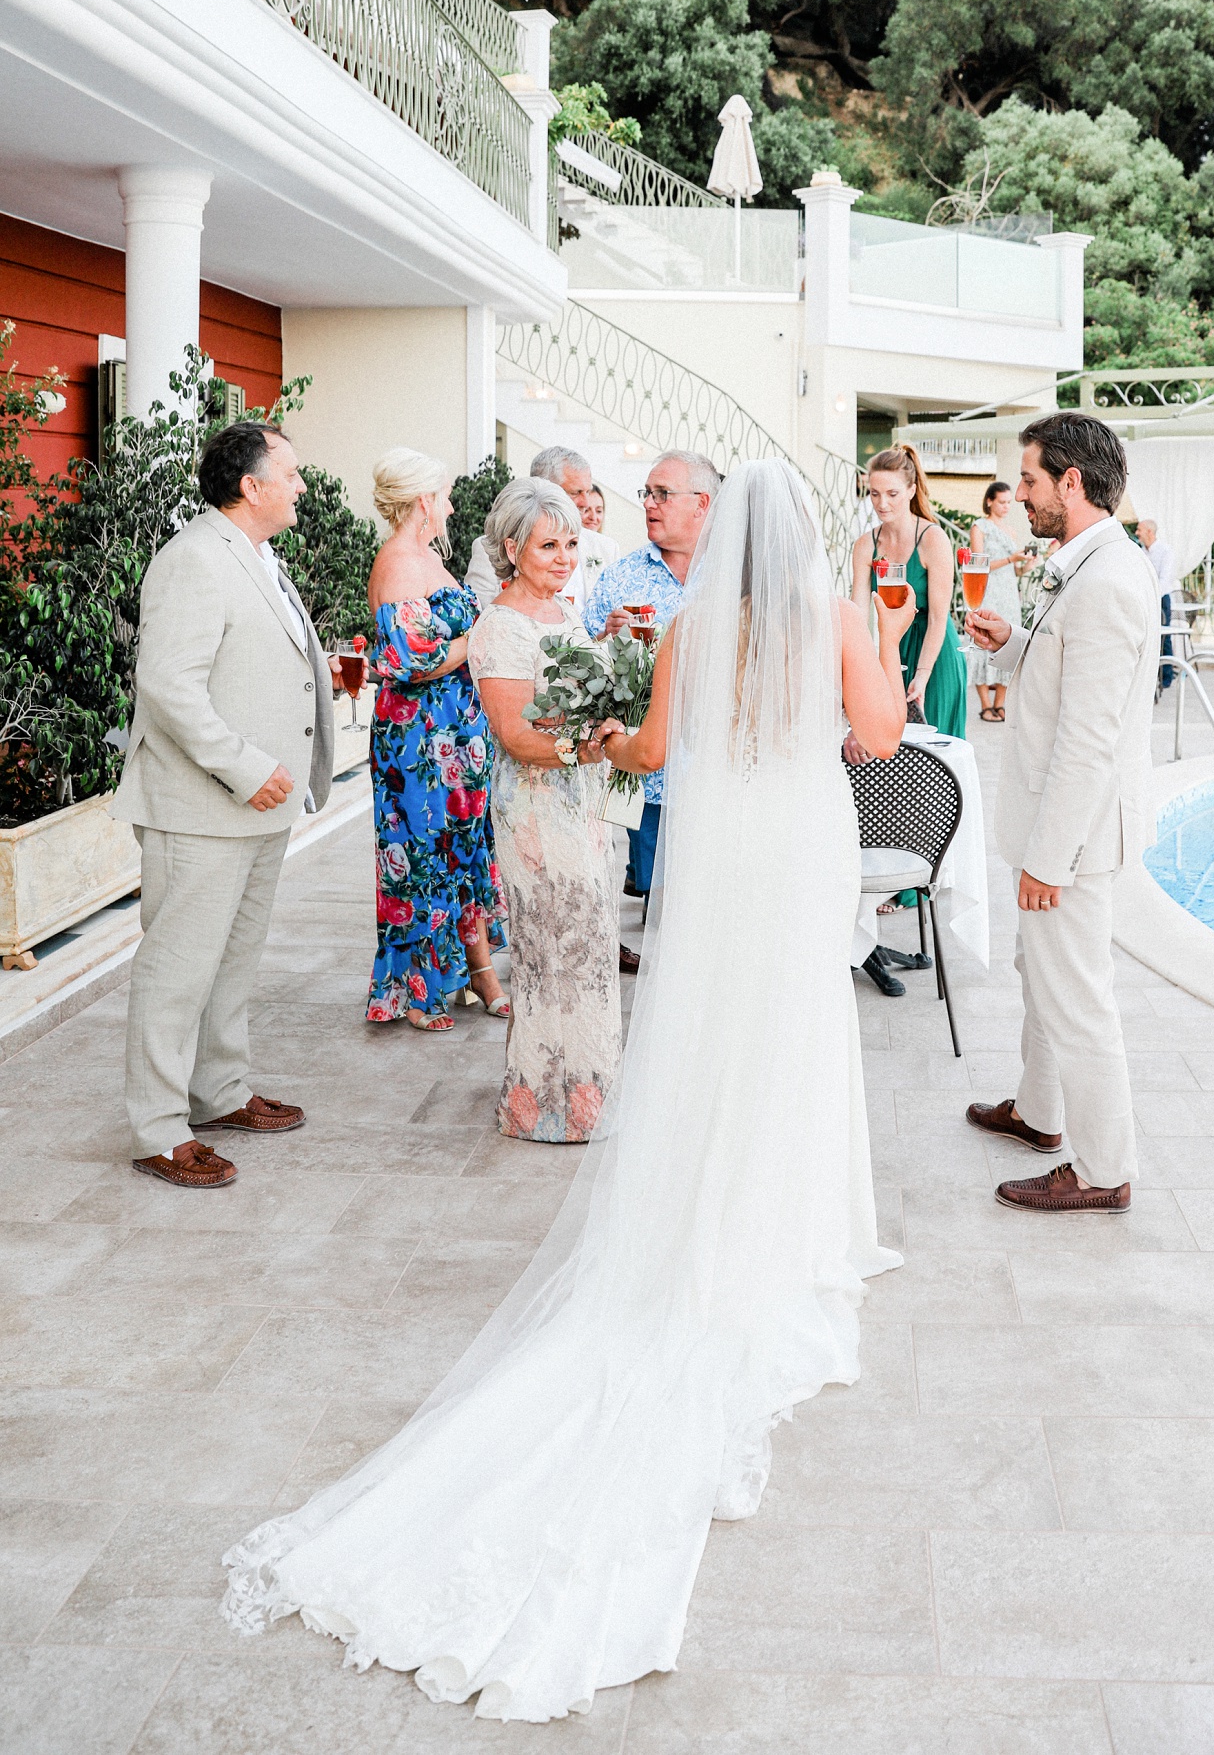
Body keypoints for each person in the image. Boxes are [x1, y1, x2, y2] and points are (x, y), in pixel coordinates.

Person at [224, 461, 912, 1721]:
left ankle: (710, 1217)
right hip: (800, 849)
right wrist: (881, 634)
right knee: (795, 1041)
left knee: (714, 1043)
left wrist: (600, 731)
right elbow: (876, 739)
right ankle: (788, 1226)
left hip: (728, 862)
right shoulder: (833, 618)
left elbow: (652, 750)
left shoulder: (696, 623)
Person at [114, 422, 335, 1190]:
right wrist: (244, 768)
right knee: (177, 970)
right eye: (293, 472)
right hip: (202, 804)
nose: (303, 485)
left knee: (232, 963)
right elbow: (168, 684)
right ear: (252, 485)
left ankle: (218, 1091)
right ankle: (158, 1129)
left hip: (260, 805)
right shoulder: (193, 561)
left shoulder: (257, 555)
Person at [965, 411, 1159, 1215]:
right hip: (1053, 825)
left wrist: (1049, 859)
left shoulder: (1111, 578)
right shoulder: (1080, 564)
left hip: (1073, 837)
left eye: (1033, 481)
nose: (1022, 497)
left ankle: (1104, 1168)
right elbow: (1065, 668)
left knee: (1076, 997)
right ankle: (1040, 1114)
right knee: (1038, 975)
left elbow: (1088, 739)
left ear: (1071, 482)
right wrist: (1014, 641)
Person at [468, 479, 620, 1142]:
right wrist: (590, 746)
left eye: (572, 544)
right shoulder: (501, 626)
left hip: (584, 807)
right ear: (511, 547)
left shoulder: (564, 612)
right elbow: (515, 734)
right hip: (536, 812)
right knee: (552, 955)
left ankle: (593, 1092)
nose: (564, 558)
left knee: (588, 953)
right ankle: (544, 1107)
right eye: (548, 544)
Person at [365, 450, 505, 1030]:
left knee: (464, 852)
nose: (449, 505)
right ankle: (420, 991)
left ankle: (480, 974)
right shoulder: (396, 562)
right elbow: (408, 663)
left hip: (457, 734)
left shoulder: (427, 557)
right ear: (423, 501)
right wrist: (482, 635)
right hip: (419, 740)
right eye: (444, 495)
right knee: (423, 860)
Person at [583, 450, 719, 901]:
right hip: (651, 781)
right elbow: (584, 671)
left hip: (722, 773)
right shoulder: (622, 577)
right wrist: (606, 638)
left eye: (662, 494)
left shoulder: (735, 574)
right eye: (647, 493)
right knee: (661, 909)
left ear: (702, 503)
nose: (648, 503)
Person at [852, 444, 967, 735]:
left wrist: (923, 675)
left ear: (911, 491)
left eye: (892, 494)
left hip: (935, 655)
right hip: (893, 653)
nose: (882, 503)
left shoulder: (933, 539)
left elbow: (939, 618)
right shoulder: (865, 545)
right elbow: (857, 616)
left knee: (935, 752)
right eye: (874, 493)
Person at [466, 447, 616, 612]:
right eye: (576, 492)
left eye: (588, 491)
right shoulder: (489, 548)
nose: (586, 502)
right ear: (543, 488)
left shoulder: (607, 548)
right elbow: (479, 616)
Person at [971, 479, 1030, 724]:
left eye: (1009, 503)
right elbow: (978, 563)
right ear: (989, 501)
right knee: (984, 641)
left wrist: (1026, 564)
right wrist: (1009, 559)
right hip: (988, 591)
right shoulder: (980, 527)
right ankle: (985, 704)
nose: (1007, 506)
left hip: (1008, 592)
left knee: (1008, 643)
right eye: (1002, 502)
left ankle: (1000, 703)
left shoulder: (1010, 531)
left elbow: (1015, 571)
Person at [1137, 518, 1178, 689]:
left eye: (1139, 530)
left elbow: (1164, 579)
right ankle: (1147, 675)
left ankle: (1166, 675)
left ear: (1149, 532)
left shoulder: (1165, 551)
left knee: (1163, 636)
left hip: (1161, 599)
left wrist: (1151, 596)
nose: (1136, 533)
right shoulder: (1140, 551)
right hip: (1143, 598)